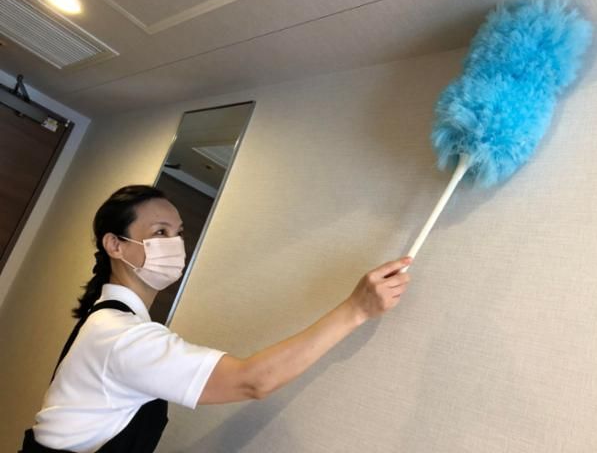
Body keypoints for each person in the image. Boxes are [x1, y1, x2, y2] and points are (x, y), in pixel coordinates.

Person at [20, 185, 411, 452]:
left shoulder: (107, 321)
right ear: (115, 245)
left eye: (178, 233)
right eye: (159, 232)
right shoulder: (120, 336)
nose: (175, 244)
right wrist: (357, 309)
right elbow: (253, 380)